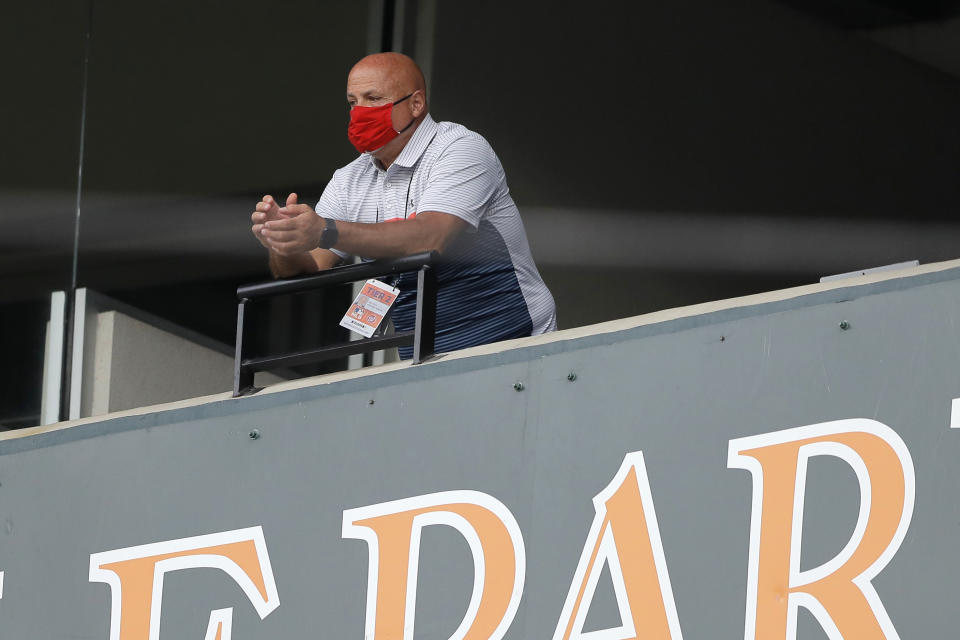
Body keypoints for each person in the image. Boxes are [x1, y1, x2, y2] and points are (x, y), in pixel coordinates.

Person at [250, 52, 556, 358]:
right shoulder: (348, 179)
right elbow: (309, 268)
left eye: (373, 98)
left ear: (416, 104)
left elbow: (430, 238)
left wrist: (326, 230)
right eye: (353, 102)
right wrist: (284, 242)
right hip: (423, 364)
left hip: (515, 346)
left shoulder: (460, 148)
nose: (359, 113)